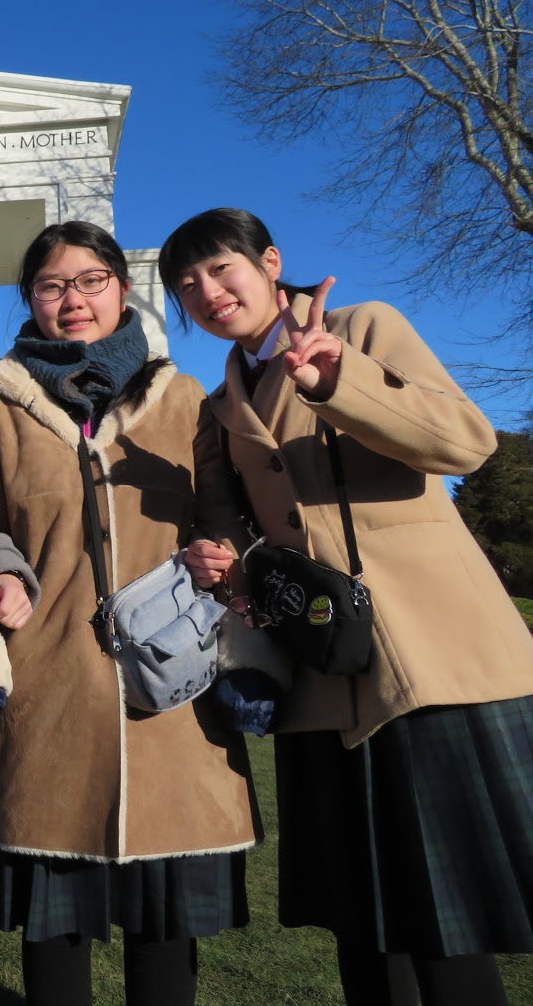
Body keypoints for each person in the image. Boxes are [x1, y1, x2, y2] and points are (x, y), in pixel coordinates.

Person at [159, 207, 533, 1006]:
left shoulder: (362, 328)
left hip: (430, 657)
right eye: (186, 284)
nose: (207, 292)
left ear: (270, 262)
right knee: (363, 923)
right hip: (322, 675)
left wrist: (337, 383)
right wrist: (220, 557)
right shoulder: (219, 406)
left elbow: (466, 442)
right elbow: (233, 527)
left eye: (221, 267)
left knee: (449, 923)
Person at [0, 221, 264, 1006]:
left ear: (121, 288)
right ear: (30, 300)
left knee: (165, 935)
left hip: (176, 697)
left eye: (89, 281)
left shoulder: (183, 398)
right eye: (51, 285)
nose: (72, 299)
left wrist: (234, 602)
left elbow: (225, 520)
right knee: (56, 936)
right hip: (48, 691)